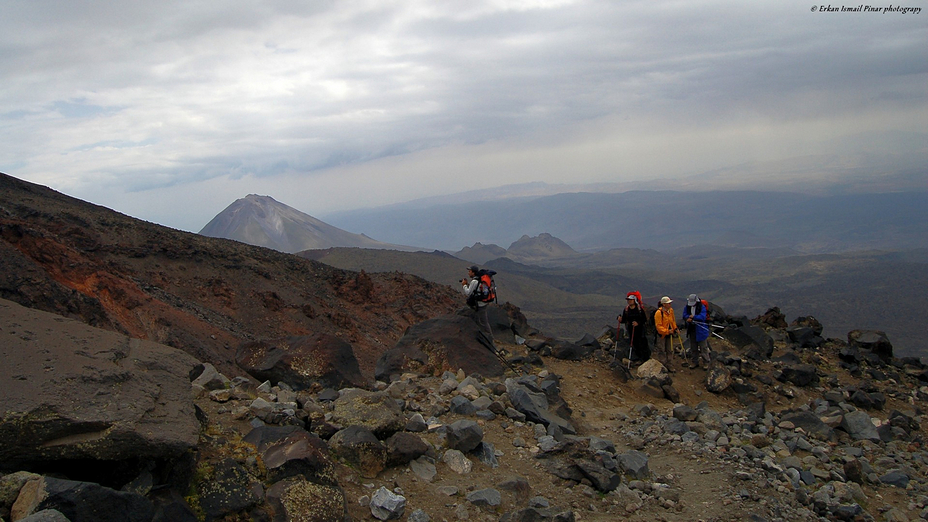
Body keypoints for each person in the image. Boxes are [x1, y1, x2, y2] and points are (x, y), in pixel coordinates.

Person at [461, 265, 494, 346]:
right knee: (481, 320)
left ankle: (490, 339)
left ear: (473, 272)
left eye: (469, 271)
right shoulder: (479, 280)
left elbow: (468, 292)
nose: (468, 273)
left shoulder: (475, 281)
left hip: (480, 304)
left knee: (484, 322)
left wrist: (464, 285)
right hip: (483, 303)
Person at [618, 292, 650, 362]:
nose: (629, 301)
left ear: (634, 300)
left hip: (640, 330)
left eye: (630, 300)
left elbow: (644, 319)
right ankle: (638, 358)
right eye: (628, 300)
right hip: (631, 329)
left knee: (642, 343)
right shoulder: (626, 309)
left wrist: (638, 323)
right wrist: (620, 319)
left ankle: (645, 358)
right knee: (635, 344)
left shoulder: (639, 309)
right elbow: (624, 319)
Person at [682, 294, 710, 368]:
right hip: (692, 329)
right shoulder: (687, 307)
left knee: (703, 347)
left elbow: (703, 317)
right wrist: (687, 318)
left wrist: (694, 317)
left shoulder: (701, 307)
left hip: (701, 329)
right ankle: (695, 362)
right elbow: (684, 315)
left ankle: (706, 362)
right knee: (693, 347)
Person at [654, 296, 678, 371]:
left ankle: (670, 365)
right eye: (668, 303)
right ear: (664, 304)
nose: (670, 304)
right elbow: (658, 326)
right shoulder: (659, 313)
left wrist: (675, 328)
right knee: (661, 349)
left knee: (669, 349)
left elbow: (672, 321)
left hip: (669, 333)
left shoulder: (670, 311)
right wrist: (667, 331)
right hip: (662, 335)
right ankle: (663, 365)